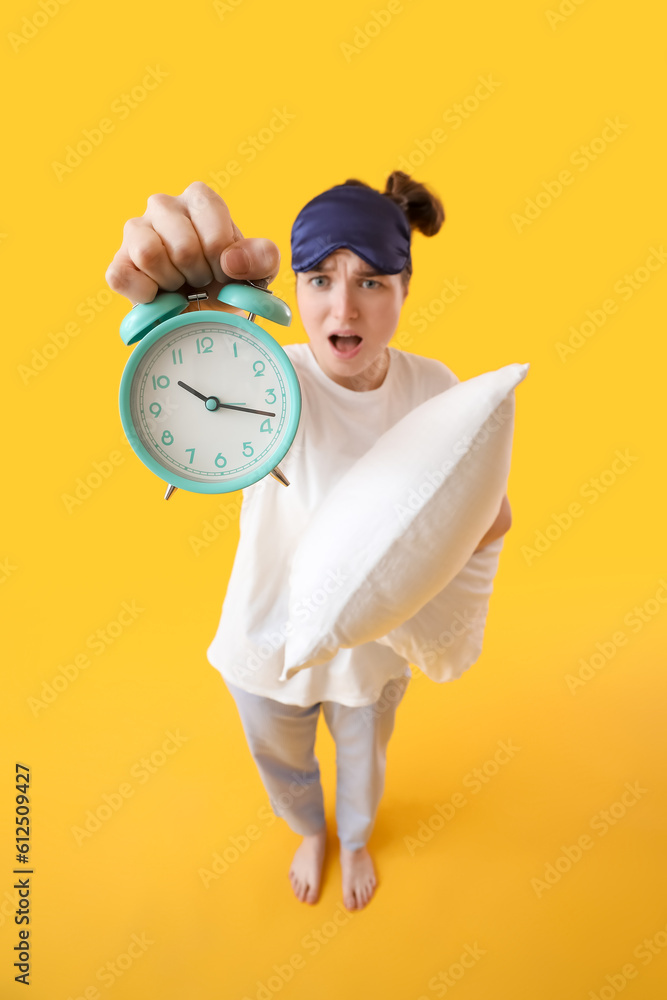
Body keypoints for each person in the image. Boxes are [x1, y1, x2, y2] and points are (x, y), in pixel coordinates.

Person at [105, 174, 512, 911]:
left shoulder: (434, 388)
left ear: (404, 289)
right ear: (292, 283)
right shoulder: (263, 373)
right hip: (265, 638)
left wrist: (478, 534)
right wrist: (181, 322)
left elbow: (482, 506)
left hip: (373, 647)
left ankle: (353, 834)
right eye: (320, 278)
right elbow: (189, 401)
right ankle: (307, 828)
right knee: (281, 758)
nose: (343, 306)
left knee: (364, 756)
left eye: (372, 281)